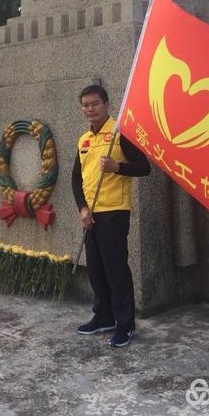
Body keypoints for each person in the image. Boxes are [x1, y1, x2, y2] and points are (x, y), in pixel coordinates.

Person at [72, 84, 151, 348]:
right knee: (96, 269)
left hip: (114, 212)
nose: (90, 109)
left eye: (94, 103)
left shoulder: (120, 134)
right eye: (85, 105)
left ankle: (125, 324)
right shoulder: (84, 140)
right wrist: (83, 209)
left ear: (106, 104)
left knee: (116, 270)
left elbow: (144, 167)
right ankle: (103, 316)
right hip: (91, 215)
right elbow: (76, 179)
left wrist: (118, 167)